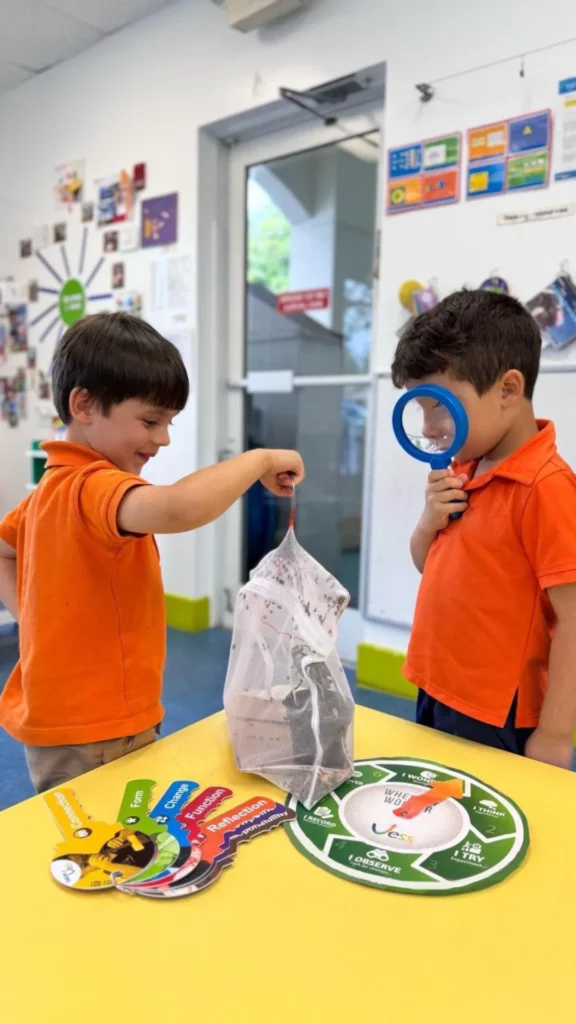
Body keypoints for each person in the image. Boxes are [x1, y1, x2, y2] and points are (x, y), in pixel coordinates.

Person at [0, 312, 304, 792]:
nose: (163, 439)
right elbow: (179, 508)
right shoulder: (93, 486)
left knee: (75, 825)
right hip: (101, 727)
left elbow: (4, 551)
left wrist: (30, 618)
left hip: (60, 720)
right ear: (84, 405)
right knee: (112, 832)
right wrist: (259, 459)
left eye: (169, 423)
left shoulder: (48, 490)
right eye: (150, 421)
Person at [391, 288, 576, 770]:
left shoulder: (546, 487)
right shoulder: (465, 469)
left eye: (438, 405)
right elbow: (430, 566)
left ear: (508, 390)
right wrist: (428, 523)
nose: (429, 427)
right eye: (419, 408)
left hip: (495, 711)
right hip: (438, 685)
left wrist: (556, 735)